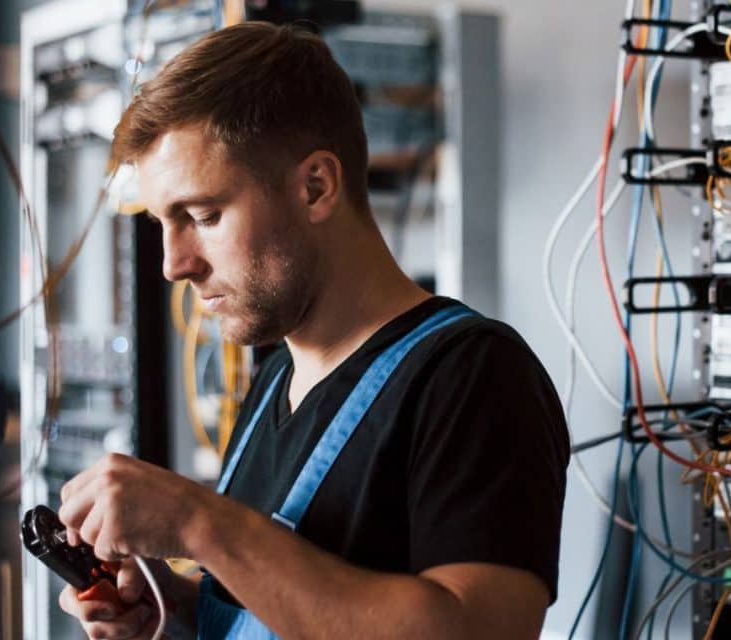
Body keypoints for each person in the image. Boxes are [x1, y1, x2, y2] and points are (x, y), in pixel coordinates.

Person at [55, 21, 569, 640]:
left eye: (204, 215)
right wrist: (176, 606)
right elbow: (285, 607)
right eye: (166, 222)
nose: (174, 263)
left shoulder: (471, 376)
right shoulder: (276, 379)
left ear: (315, 186)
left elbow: (479, 630)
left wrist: (199, 523)